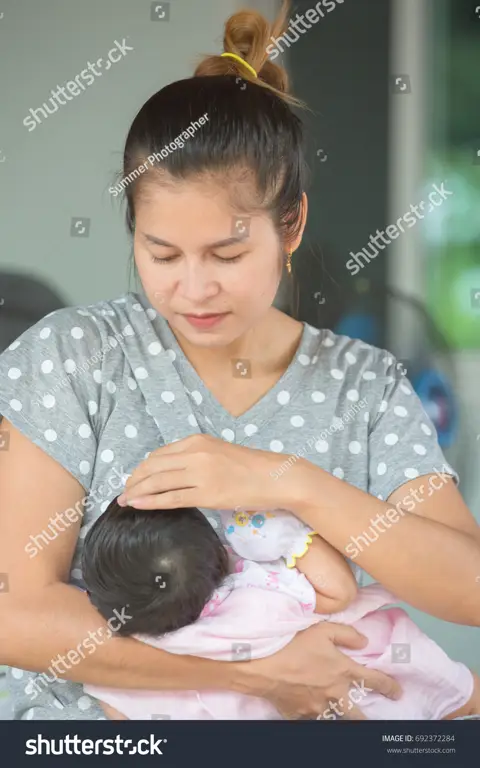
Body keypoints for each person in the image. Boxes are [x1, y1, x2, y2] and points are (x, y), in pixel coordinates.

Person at [0, 0, 479, 722]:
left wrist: (286, 481)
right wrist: (252, 675)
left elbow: (469, 587)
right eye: (161, 254)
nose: (192, 288)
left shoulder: (365, 386)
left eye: (227, 254)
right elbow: (14, 611)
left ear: (292, 225)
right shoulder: (75, 356)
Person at [81, 499, 480, 721]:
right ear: (221, 555)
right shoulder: (261, 592)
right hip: (368, 694)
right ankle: (464, 699)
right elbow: (339, 592)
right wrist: (282, 530)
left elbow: (114, 703)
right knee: (386, 643)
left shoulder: (144, 649)